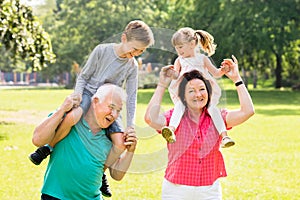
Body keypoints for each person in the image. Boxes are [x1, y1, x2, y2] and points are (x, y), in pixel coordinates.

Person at [28, 19, 154, 197]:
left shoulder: (132, 66)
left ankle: (101, 173)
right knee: (72, 118)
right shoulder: (102, 51)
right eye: (135, 49)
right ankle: (48, 148)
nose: (136, 54)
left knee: (119, 142)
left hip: (110, 102)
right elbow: (83, 77)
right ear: (124, 38)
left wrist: (131, 124)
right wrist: (77, 96)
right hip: (89, 95)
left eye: (141, 51)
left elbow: (132, 96)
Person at [144, 56, 255, 200]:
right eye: (191, 91)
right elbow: (150, 119)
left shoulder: (218, 118)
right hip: (175, 190)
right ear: (183, 96)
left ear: (208, 92)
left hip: (209, 191)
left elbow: (248, 111)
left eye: (202, 89)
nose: (198, 94)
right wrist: (161, 85)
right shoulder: (174, 118)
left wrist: (237, 79)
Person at [32, 84, 138, 200]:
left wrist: (130, 151)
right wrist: (62, 109)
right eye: (111, 107)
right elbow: (37, 139)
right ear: (96, 101)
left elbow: (117, 175)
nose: (114, 115)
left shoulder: (111, 137)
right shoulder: (70, 119)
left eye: (118, 111)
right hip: (55, 196)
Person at [161, 27, 235, 148]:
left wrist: (223, 70)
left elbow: (215, 73)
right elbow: (176, 75)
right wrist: (171, 73)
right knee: (179, 106)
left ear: (192, 44)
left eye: (180, 47)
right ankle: (171, 130)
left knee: (213, 109)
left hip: (203, 91)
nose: (178, 50)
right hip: (186, 92)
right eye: (176, 48)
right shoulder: (179, 60)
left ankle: (225, 136)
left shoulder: (202, 59)